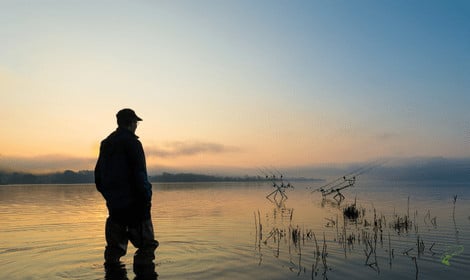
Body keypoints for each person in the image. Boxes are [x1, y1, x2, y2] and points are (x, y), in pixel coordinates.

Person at [95, 108, 159, 269]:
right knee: (146, 246)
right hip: (136, 204)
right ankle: (145, 273)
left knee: (114, 250)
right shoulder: (133, 143)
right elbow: (140, 173)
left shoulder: (106, 143)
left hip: (115, 205)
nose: (137, 125)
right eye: (136, 122)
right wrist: (146, 197)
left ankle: (112, 274)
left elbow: (98, 177)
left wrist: (110, 196)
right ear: (131, 123)